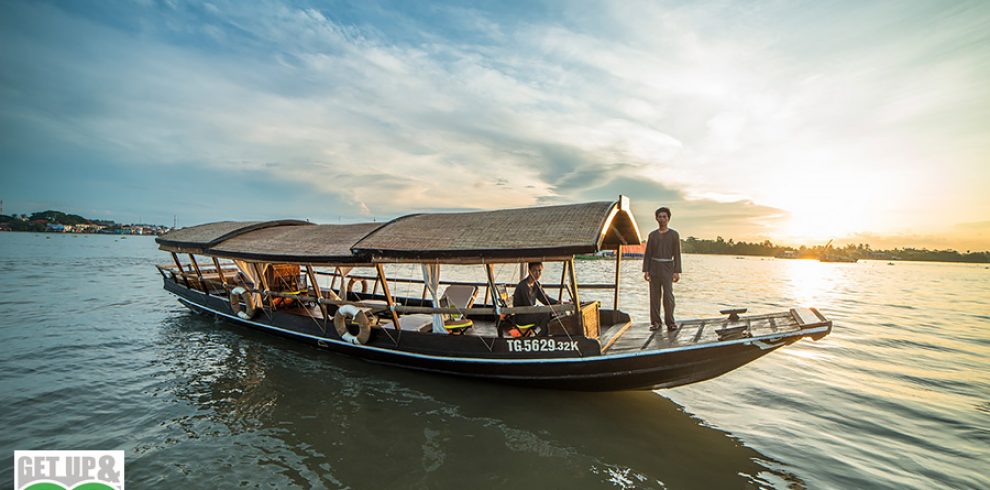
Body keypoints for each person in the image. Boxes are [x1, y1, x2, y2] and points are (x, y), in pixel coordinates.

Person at [643, 207, 682, 331]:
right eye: (660, 217)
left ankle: (670, 322)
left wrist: (676, 271)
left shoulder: (674, 235)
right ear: (656, 218)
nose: (662, 219)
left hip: (668, 268)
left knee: (668, 296)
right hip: (654, 268)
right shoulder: (652, 235)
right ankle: (656, 322)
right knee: (654, 296)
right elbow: (648, 253)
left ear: (668, 218)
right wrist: (646, 270)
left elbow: (677, 254)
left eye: (664, 217)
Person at [512, 262, 559, 336]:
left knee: (551, 314)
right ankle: (538, 335)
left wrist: (558, 303)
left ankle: (538, 333)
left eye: (539, 271)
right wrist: (541, 309)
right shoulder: (523, 286)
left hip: (530, 312)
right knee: (544, 315)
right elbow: (528, 305)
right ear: (529, 271)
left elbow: (545, 299)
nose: (537, 273)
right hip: (522, 317)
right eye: (535, 270)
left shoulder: (536, 284)